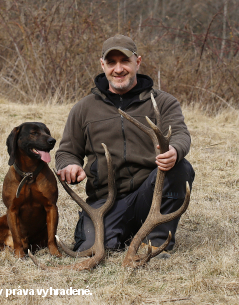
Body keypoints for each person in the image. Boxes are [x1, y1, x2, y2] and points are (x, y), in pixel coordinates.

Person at [55, 34, 195, 253]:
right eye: (111, 63)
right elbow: (66, 152)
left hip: (149, 196)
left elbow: (180, 135)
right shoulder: (83, 108)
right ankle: (121, 234)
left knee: (180, 168)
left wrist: (175, 151)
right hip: (105, 203)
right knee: (89, 250)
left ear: (137, 62)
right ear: (103, 65)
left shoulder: (164, 102)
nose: (118, 69)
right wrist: (69, 165)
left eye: (125, 61)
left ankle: (156, 244)